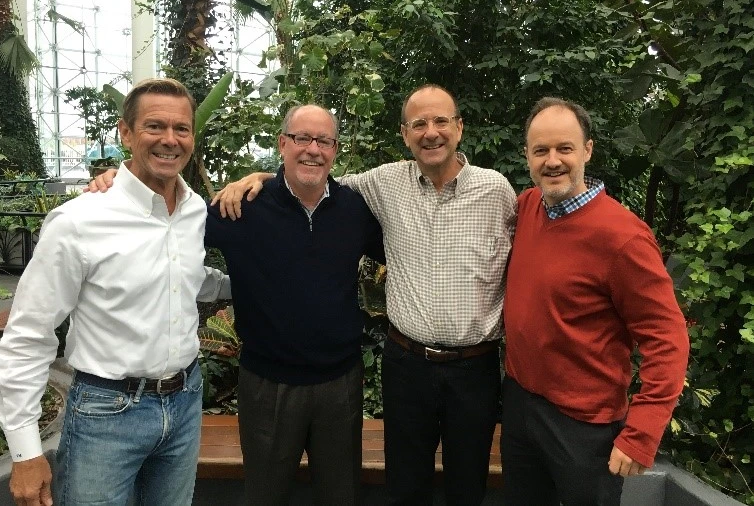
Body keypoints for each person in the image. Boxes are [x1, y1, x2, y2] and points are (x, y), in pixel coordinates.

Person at [215, 85, 517, 505]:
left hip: (468, 368)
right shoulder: (381, 183)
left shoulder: (495, 190)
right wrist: (260, 178)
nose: (431, 132)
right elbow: (311, 179)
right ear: (405, 133)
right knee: (401, 488)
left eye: (441, 121)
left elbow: (526, 256)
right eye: (419, 123)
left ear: (459, 128)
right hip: (398, 367)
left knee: (466, 488)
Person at [88, 103, 385, 506]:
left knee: (341, 495)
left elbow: (400, 252)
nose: (313, 149)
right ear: (282, 143)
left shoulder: (354, 209)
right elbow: (165, 225)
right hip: (266, 385)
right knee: (265, 495)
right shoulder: (241, 207)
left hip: (340, 384)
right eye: (302, 138)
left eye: (324, 141)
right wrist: (121, 183)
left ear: (335, 149)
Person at [0, 78, 232, 506]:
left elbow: (192, 276)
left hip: (185, 402)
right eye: (154, 126)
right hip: (106, 413)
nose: (170, 139)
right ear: (126, 133)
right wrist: (25, 452)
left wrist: (258, 286)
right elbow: (28, 334)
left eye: (182, 128)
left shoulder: (194, 209)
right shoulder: (80, 221)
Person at [500, 97, 690, 505]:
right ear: (527, 156)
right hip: (520, 405)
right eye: (541, 150)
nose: (553, 161)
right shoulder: (528, 207)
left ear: (588, 150)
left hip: (583, 427)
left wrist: (641, 433)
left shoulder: (623, 237)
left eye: (565, 148)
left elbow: (667, 339)